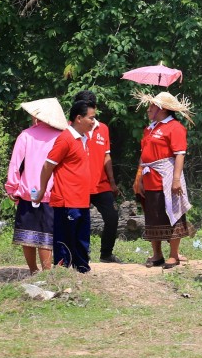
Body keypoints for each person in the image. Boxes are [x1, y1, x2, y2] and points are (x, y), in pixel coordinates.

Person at [133, 92, 194, 269]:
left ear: (163, 108)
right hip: (150, 178)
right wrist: (139, 177)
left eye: (152, 106)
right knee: (153, 216)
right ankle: (157, 254)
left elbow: (180, 154)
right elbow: (143, 156)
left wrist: (176, 180)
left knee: (173, 215)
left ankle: (174, 255)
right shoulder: (150, 128)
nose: (148, 109)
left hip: (167, 178)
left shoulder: (175, 127)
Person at [34, 100, 96, 273]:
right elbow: (48, 166)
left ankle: (82, 270)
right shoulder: (65, 139)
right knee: (65, 240)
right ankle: (61, 274)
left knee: (82, 239)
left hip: (82, 200)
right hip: (66, 200)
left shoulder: (84, 138)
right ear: (78, 118)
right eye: (91, 118)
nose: (94, 121)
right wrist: (41, 190)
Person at [6, 98, 65, 273]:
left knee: (27, 234)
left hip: (28, 191)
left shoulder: (26, 135)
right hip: (51, 191)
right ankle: (47, 271)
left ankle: (33, 269)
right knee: (47, 234)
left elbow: (15, 164)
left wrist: (12, 187)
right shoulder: (61, 136)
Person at [75, 91, 120, 263]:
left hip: (101, 184)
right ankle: (82, 253)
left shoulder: (104, 129)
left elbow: (106, 156)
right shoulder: (70, 129)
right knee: (80, 220)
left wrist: (112, 182)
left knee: (112, 217)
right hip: (80, 185)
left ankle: (106, 254)